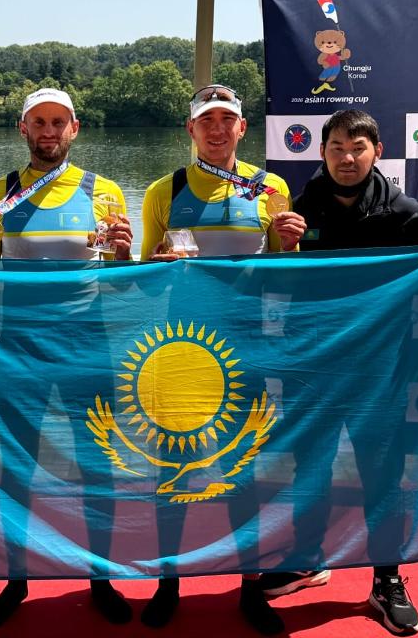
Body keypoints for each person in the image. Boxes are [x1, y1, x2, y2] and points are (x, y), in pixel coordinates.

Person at [259, 109, 418, 636]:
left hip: (382, 370)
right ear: (322, 152)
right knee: (309, 462)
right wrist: (284, 247)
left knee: (381, 470)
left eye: (357, 147)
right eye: (336, 147)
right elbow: (276, 288)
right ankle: (307, 558)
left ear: (377, 152)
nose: (347, 157)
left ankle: (386, 578)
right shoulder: (298, 208)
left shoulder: (403, 211)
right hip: (316, 364)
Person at [140, 84, 312, 635]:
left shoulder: (271, 187)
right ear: (190, 130)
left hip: (251, 346)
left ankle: (250, 587)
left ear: (242, 128)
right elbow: (142, 281)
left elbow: (288, 272)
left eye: (227, 120)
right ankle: (168, 582)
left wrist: (293, 242)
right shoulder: (163, 190)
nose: (217, 130)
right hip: (182, 351)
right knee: (173, 468)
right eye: (206, 121)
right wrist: (156, 265)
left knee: (251, 469)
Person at [0, 87, 135, 626]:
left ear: (74, 129)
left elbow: (122, 284)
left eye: (58, 122)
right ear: (23, 129)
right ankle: (16, 579)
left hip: (88, 344)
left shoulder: (104, 191)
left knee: (97, 466)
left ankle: (100, 577)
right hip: (19, 346)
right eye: (38, 122)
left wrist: (125, 255)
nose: (48, 131)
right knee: (16, 468)